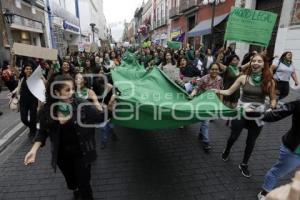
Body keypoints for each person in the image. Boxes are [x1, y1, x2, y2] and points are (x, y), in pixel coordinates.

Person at [24, 74, 112, 200]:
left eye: (73, 89)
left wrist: (109, 109)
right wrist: (33, 150)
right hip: (62, 156)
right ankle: (75, 191)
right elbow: (42, 132)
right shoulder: (47, 110)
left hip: (82, 153)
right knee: (72, 182)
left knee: (84, 185)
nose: (72, 93)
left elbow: (99, 117)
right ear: (56, 92)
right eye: (68, 90)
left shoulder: (81, 104)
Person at [215, 54, 277, 178]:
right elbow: (228, 91)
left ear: (264, 64)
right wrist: (216, 91)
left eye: (259, 61)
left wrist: (272, 107)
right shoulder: (243, 78)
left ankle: (244, 164)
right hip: (241, 112)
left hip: (258, 115)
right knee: (233, 136)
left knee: (251, 141)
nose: (256, 63)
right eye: (253, 61)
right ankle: (227, 149)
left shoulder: (269, 81)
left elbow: (273, 99)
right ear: (250, 63)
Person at [257, 100, 300, 199]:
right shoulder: (298, 103)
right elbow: (277, 114)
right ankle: (264, 193)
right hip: (294, 150)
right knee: (277, 173)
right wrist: (257, 113)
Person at [190, 63, 223, 151]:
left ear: (218, 70)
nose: (214, 71)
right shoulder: (204, 78)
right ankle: (206, 141)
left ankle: (201, 133)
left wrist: (220, 103)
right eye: (212, 69)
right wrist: (192, 94)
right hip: (202, 102)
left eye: (216, 69)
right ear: (209, 70)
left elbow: (220, 91)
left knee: (205, 121)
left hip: (212, 103)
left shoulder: (220, 79)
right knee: (206, 121)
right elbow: (196, 88)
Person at [12, 61, 38, 139]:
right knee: (23, 119)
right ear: (24, 70)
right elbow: (13, 68)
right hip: (23, 102)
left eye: (30, 69)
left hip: (33, 101)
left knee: (33, 118)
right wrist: (13, 92)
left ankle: (32, 132)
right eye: (27, 69)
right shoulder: (22, 78)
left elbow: (43, 86)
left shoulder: (35, 79)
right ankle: (32, 127)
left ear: (32, 70)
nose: (29, 70)